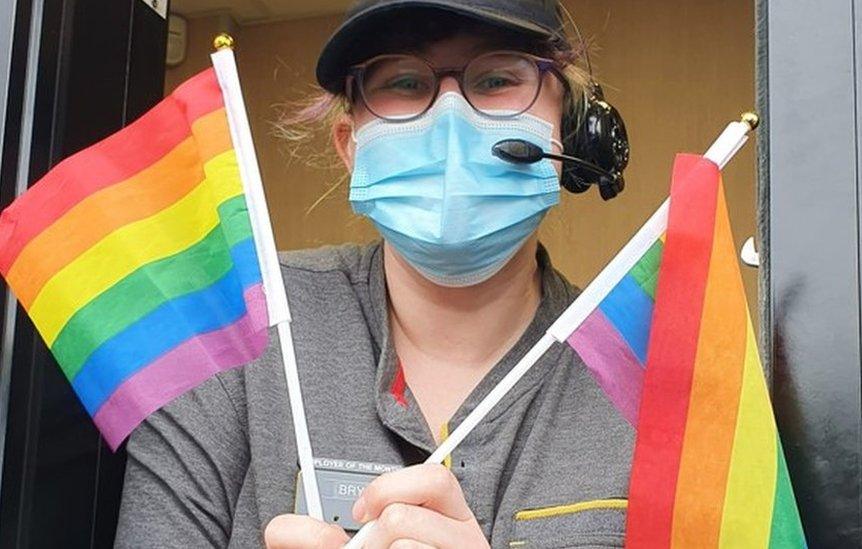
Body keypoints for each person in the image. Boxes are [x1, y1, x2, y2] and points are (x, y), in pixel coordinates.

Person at [115, 1, 634, 547]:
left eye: (497, 78)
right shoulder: (234, 328)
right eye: (405, 82)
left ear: (572, 133)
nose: (450, 118)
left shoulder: (647, 382)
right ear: (352, 148)